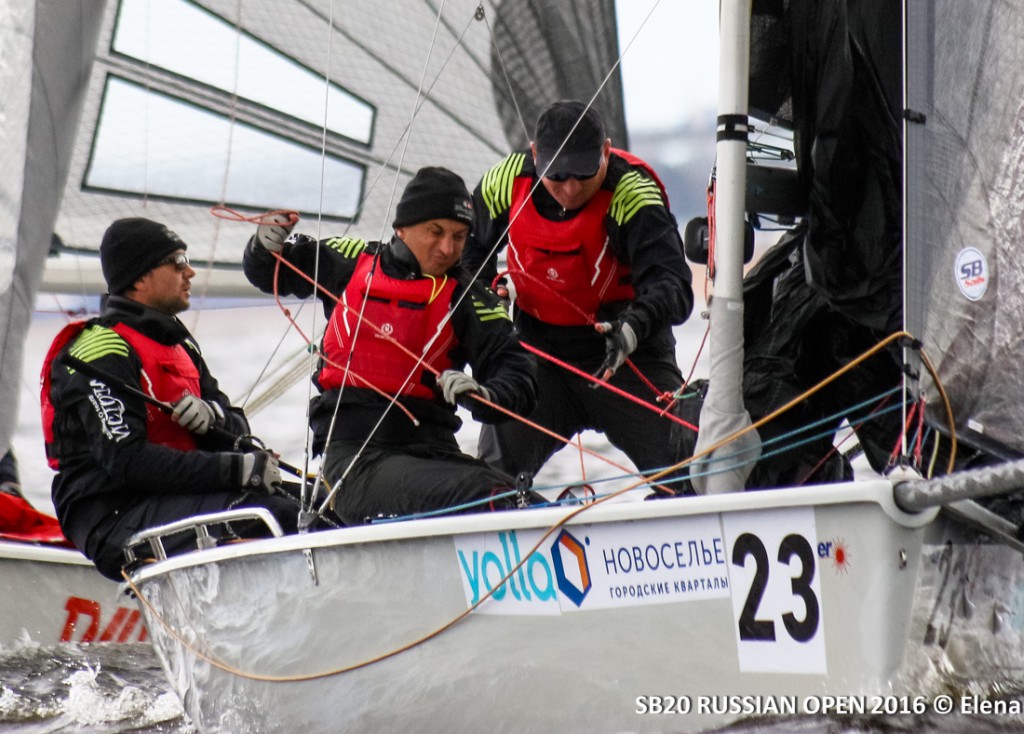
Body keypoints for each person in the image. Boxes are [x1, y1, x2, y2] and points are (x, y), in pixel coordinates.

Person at [243, 166, 538, 523]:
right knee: (489, 494)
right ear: (402, 227)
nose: (447, 248)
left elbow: (518, 374)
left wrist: (484, 395)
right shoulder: (352, 261)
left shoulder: (471, 298)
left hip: (435, 454)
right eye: (435, 232)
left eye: (459, 237)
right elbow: (268, 271)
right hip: (355, 463)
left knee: (519, 498)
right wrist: (263, 246)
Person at [43, 218, 298, 579]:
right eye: (178, 262)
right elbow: (128, 460)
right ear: (139, 278)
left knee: (316, 506)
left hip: (172, 499)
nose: (190, 272)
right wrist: (236, 471)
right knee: (275, 513)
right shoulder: (98, 352)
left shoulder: (181, 345)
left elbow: (238, 426)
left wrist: (213, 417)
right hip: (114, 515)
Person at [461, 100, 694, 493]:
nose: (570, 189)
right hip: (540, 359)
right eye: (557, 175)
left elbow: (675, 286)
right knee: (490, 485)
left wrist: (633, 327)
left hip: (626, 357)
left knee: (688, 477)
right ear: (535, 155)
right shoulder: (507, 182)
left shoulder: (633, 194)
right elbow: (466, 253)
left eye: (585, 173)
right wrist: (487, 298)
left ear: (606, 151)